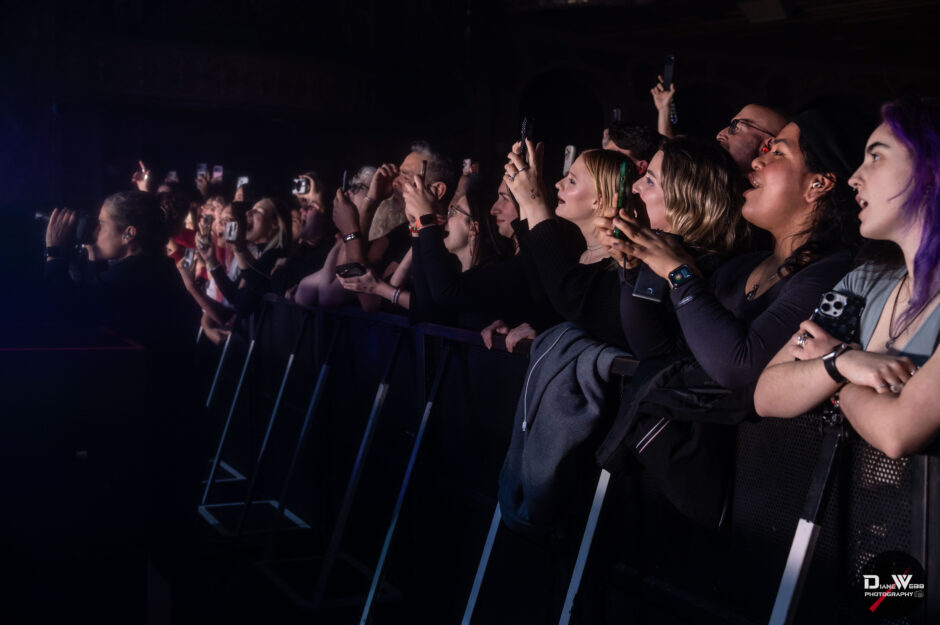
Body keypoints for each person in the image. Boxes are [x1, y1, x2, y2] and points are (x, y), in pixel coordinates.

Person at [755, 97, 940, 459]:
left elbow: (896, 432)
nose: (855, 178)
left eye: (877, 156)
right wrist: (842, 362)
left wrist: (840, 380)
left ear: (930, 172)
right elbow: (767, 392)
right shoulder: (864, 283)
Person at [596, 136, 750, 360]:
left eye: (650, 182)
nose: (635, 187)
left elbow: (656, 353)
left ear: (687, 200)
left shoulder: (718, 271)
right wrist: (627, 264)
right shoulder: (660, 248)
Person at [503, 144, 641, 348]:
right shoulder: (574, 253)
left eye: (572, 180)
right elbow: (544, 291)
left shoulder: (622, 269)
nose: (558, 184)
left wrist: (535, 202)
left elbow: (572, 297)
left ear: (599, 199)